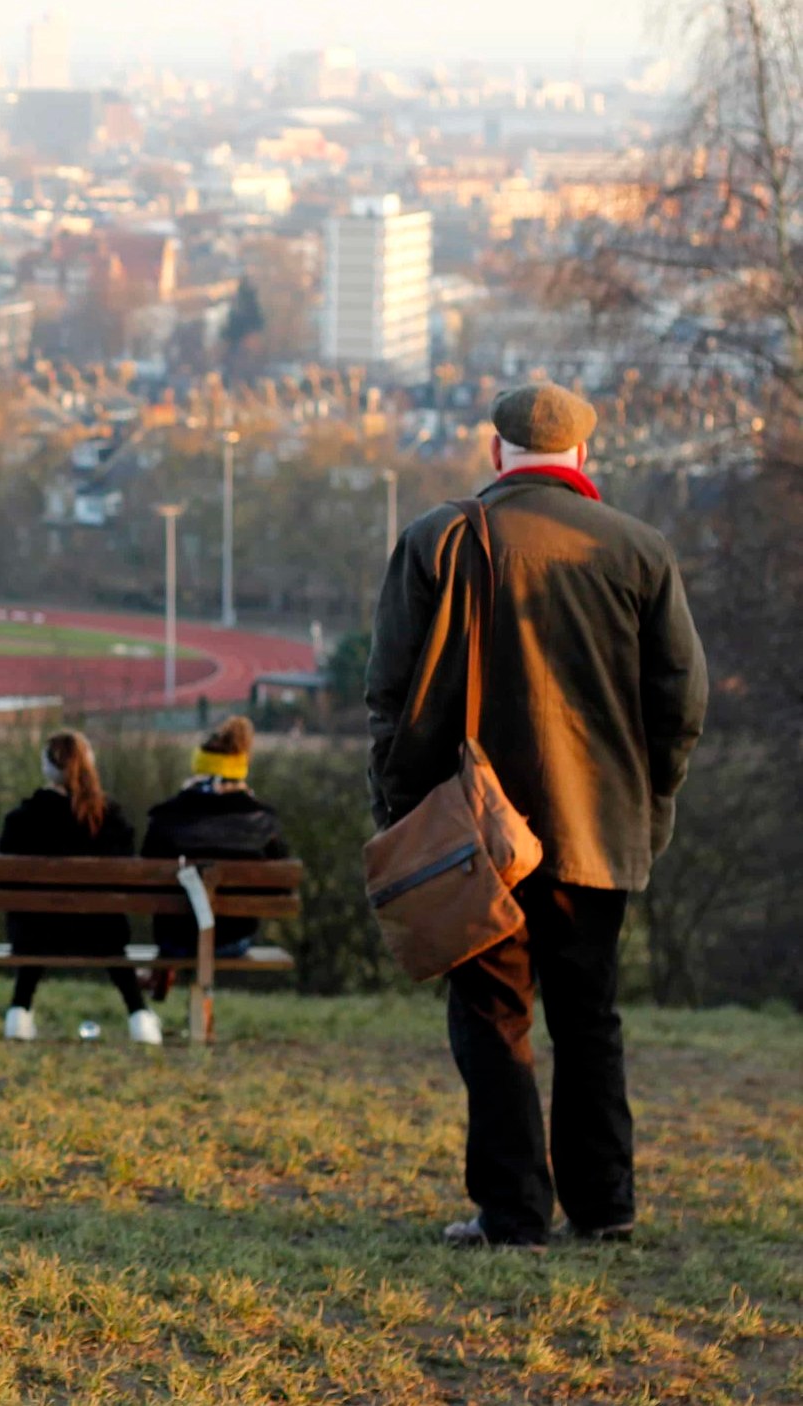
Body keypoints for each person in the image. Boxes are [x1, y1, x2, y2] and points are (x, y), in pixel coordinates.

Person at [368, 384, 706, 1250]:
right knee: (589, 1017)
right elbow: (682, 704)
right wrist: (650, 804)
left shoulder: (435, 540)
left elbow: (390, 695)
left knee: (492, 1015)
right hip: (600, 827)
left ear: (495, 453)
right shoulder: (640, 551)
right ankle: (606, 1206)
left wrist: (398, 811)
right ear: (583, 459)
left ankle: (513, 1212)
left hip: (470, 834)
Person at [0, 731, 159, 1045]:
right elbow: (127, 877)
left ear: (47, 769)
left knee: (37, 927)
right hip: (100, 933)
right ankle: (140, 1018)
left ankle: (18, 1013)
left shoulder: (23, 818)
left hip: (35, 933)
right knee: (109, 936)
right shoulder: (109, 818)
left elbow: (4, 880)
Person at [140, 716, 289, 992]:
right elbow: (282, 883)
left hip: (176, 940)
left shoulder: (165, 817)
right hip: (232, 941)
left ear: (198, 767)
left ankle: (161, 973)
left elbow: (145, 869)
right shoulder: (263, 820)